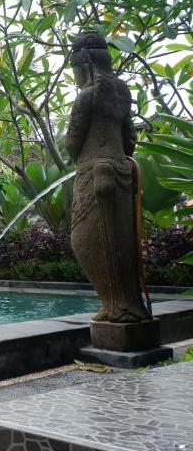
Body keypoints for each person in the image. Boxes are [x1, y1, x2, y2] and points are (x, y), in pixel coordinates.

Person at [64, 32, 149, 323]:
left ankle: (116, 307)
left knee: (85, 242)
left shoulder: (86, 96)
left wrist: (83, 155)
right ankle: (126, 304)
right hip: (121, 169)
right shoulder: (121, 93)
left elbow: (72, 141)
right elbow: (130, 138)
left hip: (93, 171)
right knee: (121, 239)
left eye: (75, 69)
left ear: (84, 65)